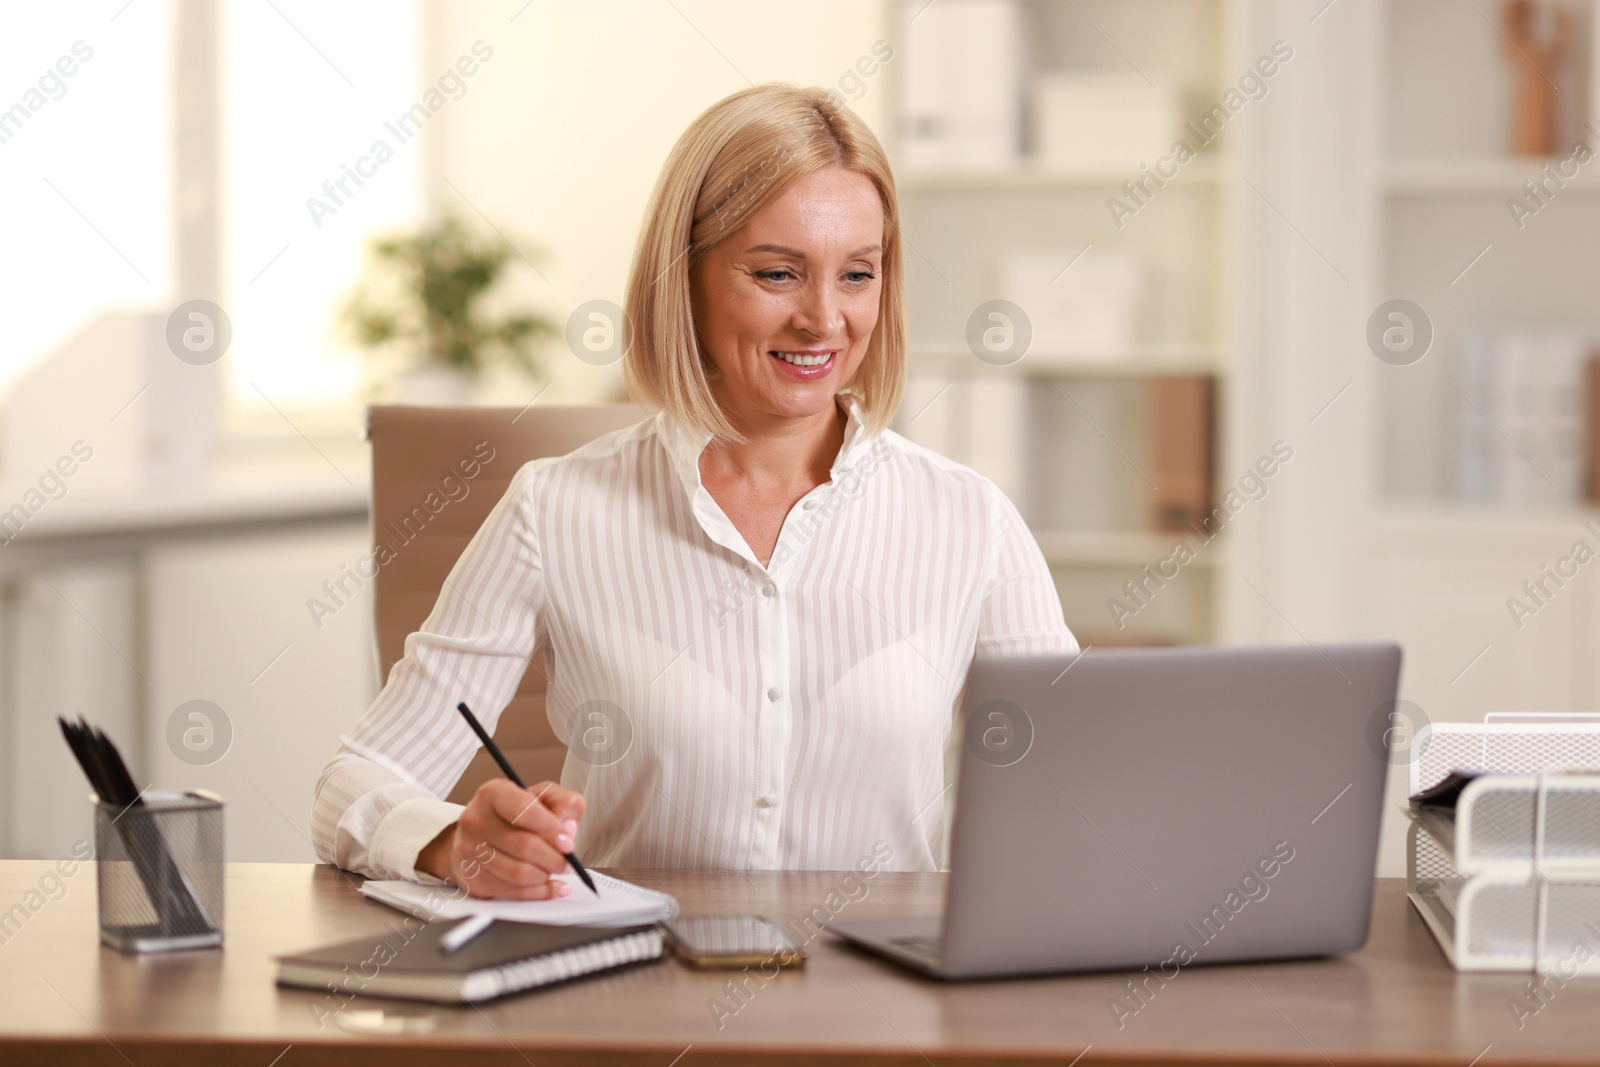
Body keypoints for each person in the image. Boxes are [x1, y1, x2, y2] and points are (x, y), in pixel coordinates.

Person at [312, 83, 1075, 899]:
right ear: (686, 277)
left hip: (881, 1008)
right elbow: (351, 787)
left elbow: (1082, 792)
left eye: (857, 274)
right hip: (636, 993)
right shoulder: (556, 510)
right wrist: (452, 840)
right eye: (778, 273)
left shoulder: (969, 520)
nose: (824, 320)